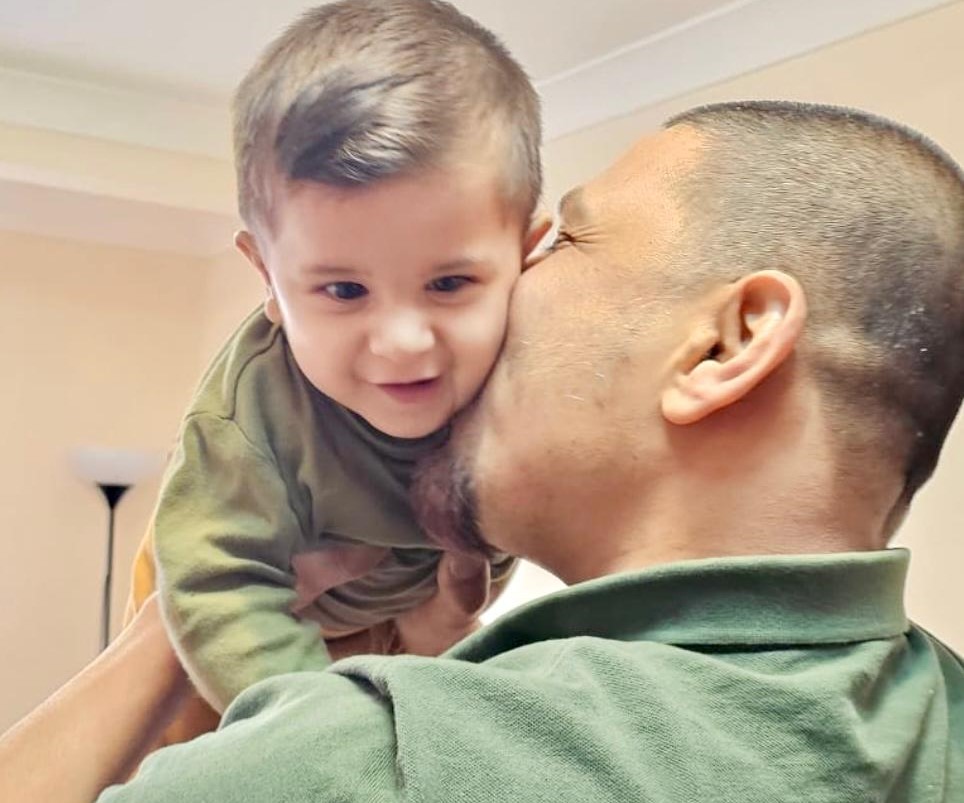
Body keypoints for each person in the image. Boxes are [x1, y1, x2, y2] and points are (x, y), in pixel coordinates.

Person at [3, 100, 963, 801]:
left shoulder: (363, 758)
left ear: (728, 343)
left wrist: (168, 627)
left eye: (560, 243)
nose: (492, 302)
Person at [122, 0, 550, 743]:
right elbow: (219, 586)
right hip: (220, 612)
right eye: (345, 291)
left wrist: (434, 623)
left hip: (397, 613)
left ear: (528, 259)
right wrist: (323, 729)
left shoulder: (536, 362)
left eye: (450, 284)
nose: (404, 342)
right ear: (269, 282)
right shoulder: (250, 413)